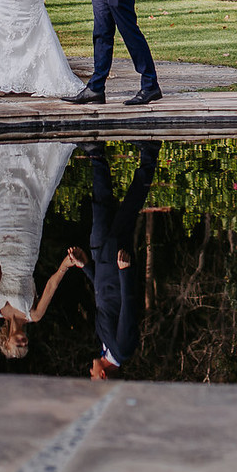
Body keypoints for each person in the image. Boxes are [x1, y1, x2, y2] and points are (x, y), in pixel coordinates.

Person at [0, 141, 81, 360]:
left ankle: (6, 147)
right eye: (25, 346)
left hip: (6, 251)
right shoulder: (34, 315)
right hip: (27, 252)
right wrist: (65, 265)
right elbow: (51, 286)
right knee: (29, 202)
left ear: (6, 342)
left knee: (2, 201)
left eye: (17, 346)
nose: (23, 343)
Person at [68, 140, 161, 379]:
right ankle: (149, 155)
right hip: (117, 263)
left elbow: (104, 299)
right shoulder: (123, 349)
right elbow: (128, 308)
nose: (90, 371)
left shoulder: (106, 347)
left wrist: (86, 266)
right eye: (91, 375)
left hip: (100, 261)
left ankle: (96, 155)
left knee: (101, 205)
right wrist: (125, 271)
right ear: (103, 377)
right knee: (129, 208)